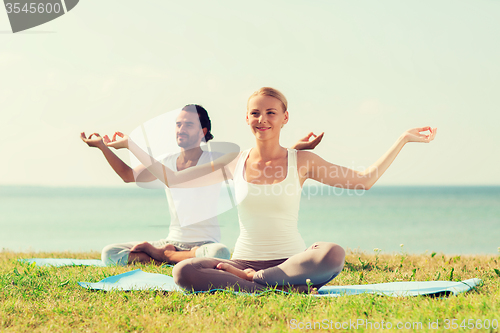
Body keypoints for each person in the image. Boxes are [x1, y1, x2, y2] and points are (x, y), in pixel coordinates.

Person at [106, 87, 437, 292]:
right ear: (246, 118)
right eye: (255, 112)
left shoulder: (303, 160)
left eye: (270, 112)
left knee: (332, 252)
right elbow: (174, 179)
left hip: (290, 261)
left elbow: (364, 180)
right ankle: (272, 286)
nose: (262, 118)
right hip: (242, 260)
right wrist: (131, 146)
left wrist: (402, 140)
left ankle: (259, 283)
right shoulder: (233, 162)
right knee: (183, 272)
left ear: (284, 118)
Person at [81, 104, 323, 266]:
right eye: (178, 124)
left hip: (204, 246)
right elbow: (127, 175)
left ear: (202, 131)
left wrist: (295, 150)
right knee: (110, 254)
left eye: (188, 125)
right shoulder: (165, 161)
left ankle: (164, 257)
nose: (180, 129)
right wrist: (102, 146)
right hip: (173, 240)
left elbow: (259, 161)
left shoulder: (214, 161)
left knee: (220, 254)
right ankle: (168, 255)